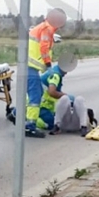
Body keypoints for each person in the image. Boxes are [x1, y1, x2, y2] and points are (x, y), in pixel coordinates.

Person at [25, 8, 67, 138]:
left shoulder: (45, 27)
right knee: (35, 98)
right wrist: (48, 64)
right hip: (29, 68)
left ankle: (27, 122)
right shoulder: (47, 29)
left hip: (29, 67)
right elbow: (43, 48)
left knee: (37, 94)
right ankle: (29, 126)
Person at [36, 53, 89, 136]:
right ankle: (83, 127)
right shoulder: (56, 75)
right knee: (74, 99)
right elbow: (52, 92)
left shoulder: (53, 71)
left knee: (73, 98)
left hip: (60, 122)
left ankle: (56, 127)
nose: (66, 73)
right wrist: (67, 96)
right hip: (43, 106)